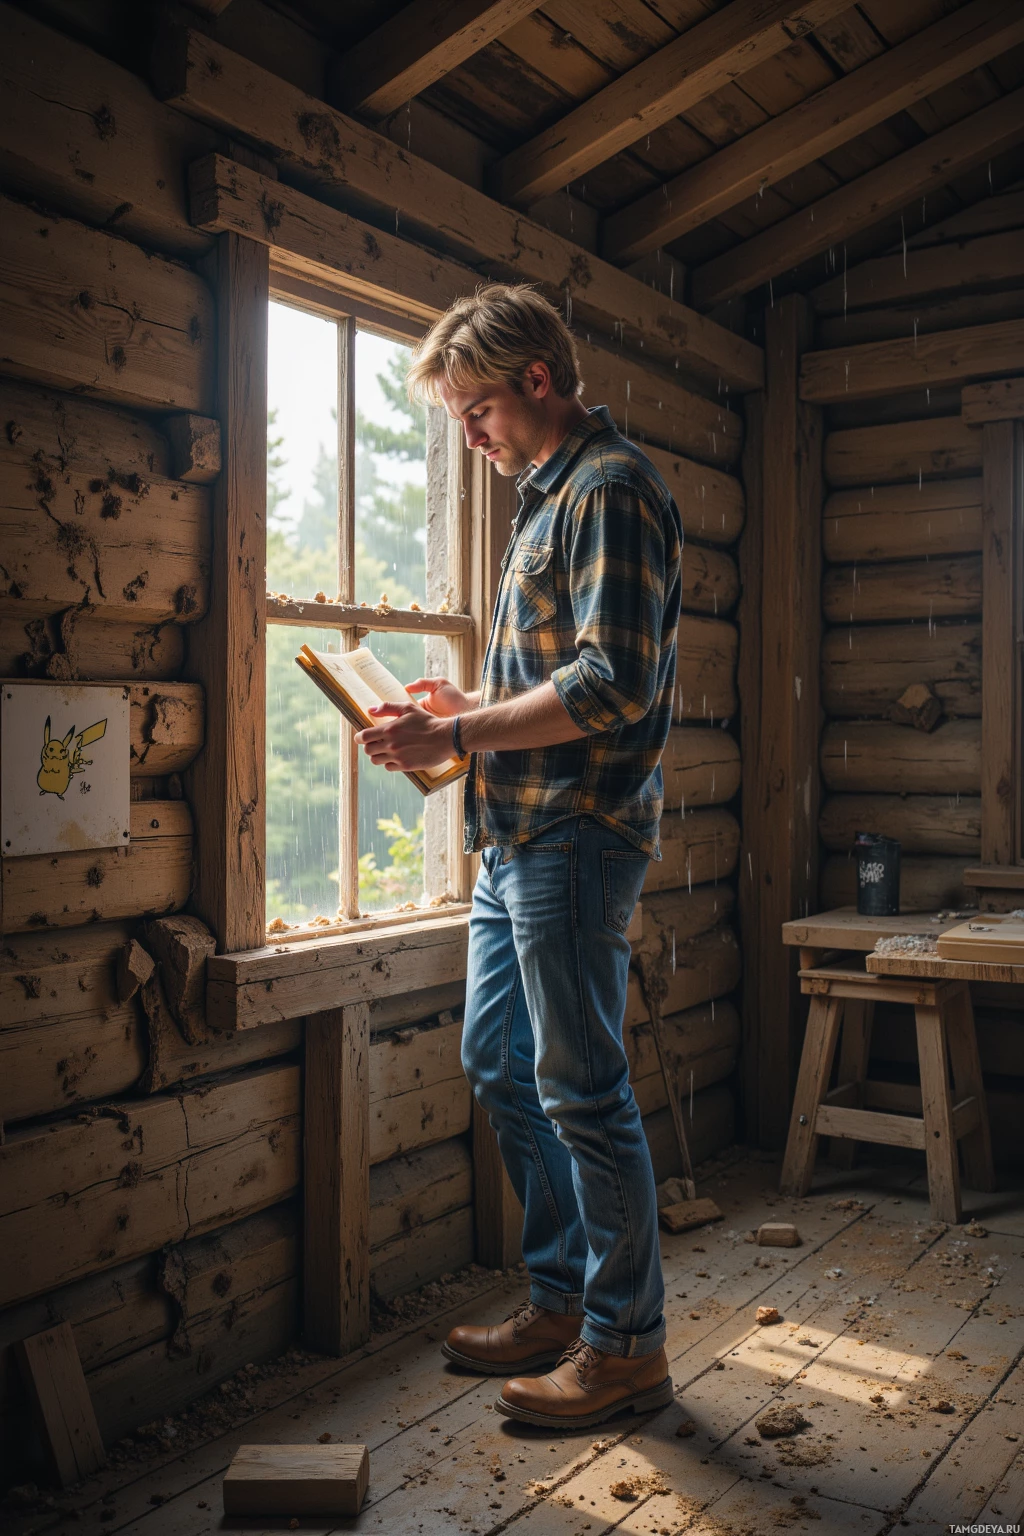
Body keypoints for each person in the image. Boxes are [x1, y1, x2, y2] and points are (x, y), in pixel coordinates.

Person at [354, 282, 682, 1430]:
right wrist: (473, 706)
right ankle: (563, 1301)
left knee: (582, 1090)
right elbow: (557, 678)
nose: (468, 435)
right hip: (513, 835)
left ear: (537, 380)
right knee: (499, 1063)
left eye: (476, 410)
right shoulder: (547, 497)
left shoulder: (609, 488)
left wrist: (453, 736)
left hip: (574, 835)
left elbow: (611, 684)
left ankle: (626, 1345)